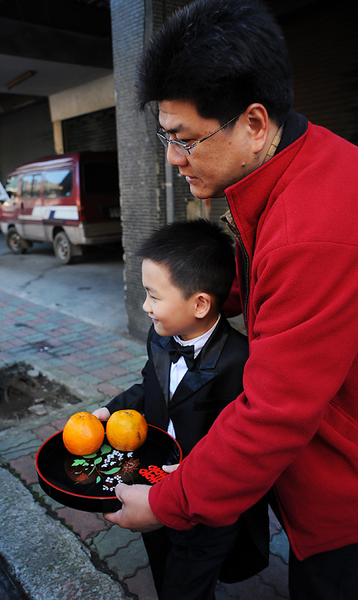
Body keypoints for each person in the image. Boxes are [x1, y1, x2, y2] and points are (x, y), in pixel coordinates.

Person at [103, 1, 358, 599]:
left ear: (253, 122)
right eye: (165, 137)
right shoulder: (295, 166)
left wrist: (168, 503)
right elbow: (261, 283)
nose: (172, 158)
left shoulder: (312, 228)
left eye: (185, 139)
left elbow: (273, 412)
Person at [94, 219, 268, 599]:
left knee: (185, 585)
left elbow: (243, 441)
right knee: (160, 558)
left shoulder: (241, 360)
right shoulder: (159, 340)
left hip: (204, 498)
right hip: (152, 477)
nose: (145, 306)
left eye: (154, 297)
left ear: (200, 303)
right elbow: (149, 388)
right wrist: (107, 413)